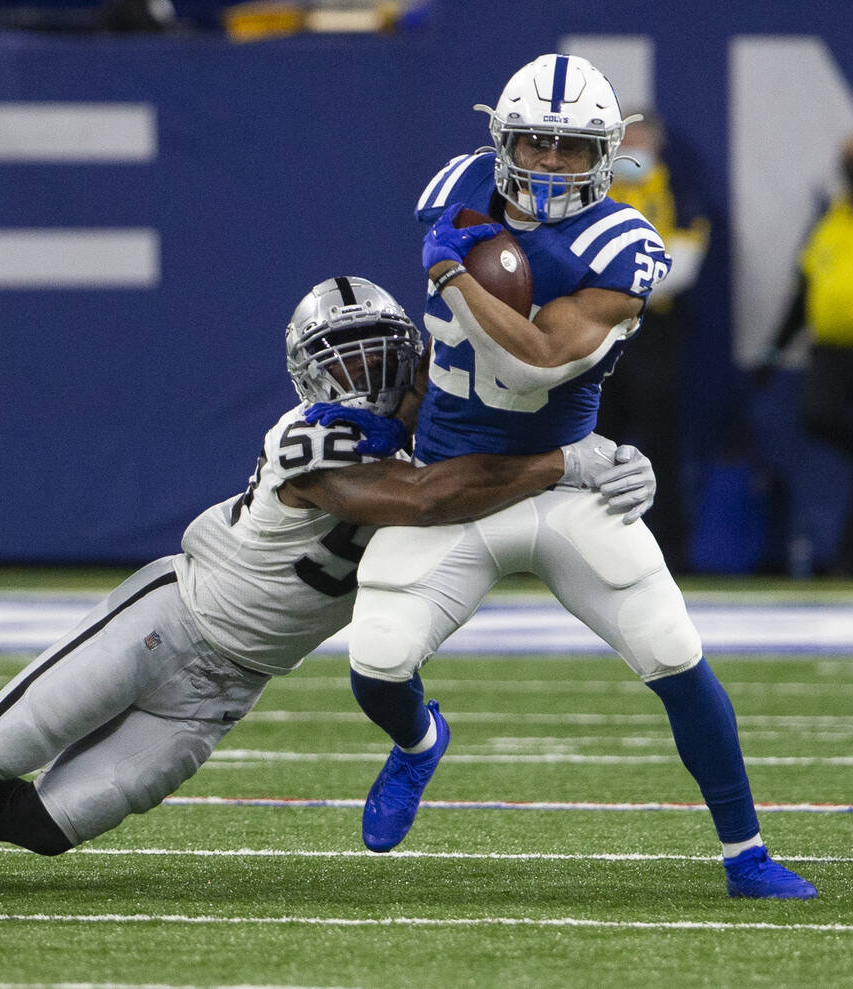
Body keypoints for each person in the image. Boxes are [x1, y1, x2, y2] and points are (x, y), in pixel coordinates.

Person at [0, 275, 656, 891]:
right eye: (335, 358)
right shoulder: (318, 438)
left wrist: (605, 461)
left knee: (43, 828)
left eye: (369, 352)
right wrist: (560, 465)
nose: (355, 373)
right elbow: (426, 497)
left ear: (406, 353)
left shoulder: (452, 434)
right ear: (307, 376)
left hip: (228, 686)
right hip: (173, 618)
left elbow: (511, 467)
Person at [345, 54, 816, 898]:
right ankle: (420, 741)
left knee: (675, 651)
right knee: (375, 658)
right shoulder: (455, 186)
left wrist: (452, 273)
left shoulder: (624, 242)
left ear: (608, 153)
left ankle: (746, 851)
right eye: (535, 141)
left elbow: (538, 366)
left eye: (572, 147)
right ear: (502, 139)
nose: (551, 161)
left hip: (567, 483)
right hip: (453, 487)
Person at [594, 110, 711, 572]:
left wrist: (618, 291)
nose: (630, 147)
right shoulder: (597, 189)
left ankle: (669, 550)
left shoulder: (678, 189)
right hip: (596, 328)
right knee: (595, 435)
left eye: (638, 137)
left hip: (651, 327)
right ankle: (588, 548)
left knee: (659, 440)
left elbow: (683, 263)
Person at [754, 134, 853, 576]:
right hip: (831, 351)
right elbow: (803, 293)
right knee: (817, 416)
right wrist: (776, 350)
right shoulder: (831, 219)